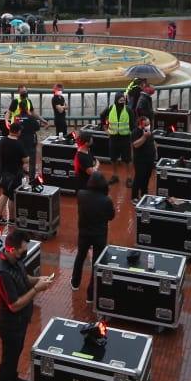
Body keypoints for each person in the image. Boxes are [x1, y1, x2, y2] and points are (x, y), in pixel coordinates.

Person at [0, 229, 54, 381]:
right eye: (22, 250)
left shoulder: (16, 260)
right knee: (8, 358)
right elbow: (14, 305)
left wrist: (39, 280)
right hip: (9, 323)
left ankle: (12, 379)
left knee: (16, 352)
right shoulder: (2, 273)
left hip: (20, 320)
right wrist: (36, 289)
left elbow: (24, 278)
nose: (24, 253)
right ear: (11, 249)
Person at [70, 172, 115, 303]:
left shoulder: (81, 195)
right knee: (96, 263)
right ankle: (90, 295)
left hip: (84, 233)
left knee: (80, 256)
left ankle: (75, 282)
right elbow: (111, 216)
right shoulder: (106, 200)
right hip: (99, 235)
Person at [0, 122, 27, 224]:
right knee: (12, 197)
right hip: (15, 174)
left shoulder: (3, 140)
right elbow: (25, 159)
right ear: (17, 132)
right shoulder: (18, 144)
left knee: (4, 193)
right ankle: (12, 219)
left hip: (4, 172)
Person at [101, 93, 132, 185]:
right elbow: (102, 116)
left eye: (123, 100)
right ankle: (115, 176)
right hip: (113, 137)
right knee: (113, 158)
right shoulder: (110, 108)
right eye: (120, 100)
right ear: (116, 100)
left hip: (125, 137)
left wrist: (132, 134)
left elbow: (133, 123)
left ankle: (129, 177)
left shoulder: (128, 110)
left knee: (127, 159)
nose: (122, 102)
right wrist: (105, 128)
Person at [130, 115, 157, 202]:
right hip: (140, 160)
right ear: (141, 124)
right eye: (147, 124)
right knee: (139, 177)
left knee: (147, 177)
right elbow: (135, 144)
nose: (149, 125)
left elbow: (153, 142)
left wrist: (155, 150)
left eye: (149, 124)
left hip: (149, 159)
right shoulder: (136, 132)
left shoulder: (149, 131)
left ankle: (144, 194)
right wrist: (144, 136)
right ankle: (134, 196)